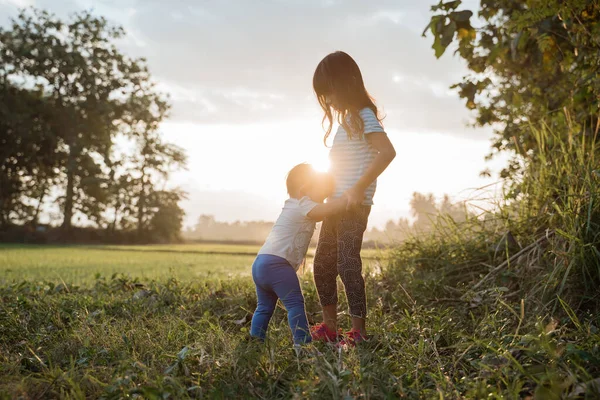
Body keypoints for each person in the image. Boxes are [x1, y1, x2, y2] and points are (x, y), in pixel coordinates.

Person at [310, 51, 396, 346]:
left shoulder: (363, 116)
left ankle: (358, 331)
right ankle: (330, 327)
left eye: (329, 91)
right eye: (324, 95)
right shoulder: (347, 122)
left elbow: (387, 152)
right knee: (321, 265)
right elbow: (339, 168)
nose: (329, 100)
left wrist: (359, 187)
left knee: (347, 265)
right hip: (335, 206)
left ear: (345, 84)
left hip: (354, 207)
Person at [249, 163, 346, 348]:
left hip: (261, 263)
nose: (324, 197)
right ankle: (303, 346)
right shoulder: (304, 204)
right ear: (305, 189)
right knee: (295, 304)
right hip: (277, 265)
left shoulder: (292, 204)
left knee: (263, 308)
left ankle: (255, 343)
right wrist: (343, 201)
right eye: (321, 191)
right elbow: (322, 212)